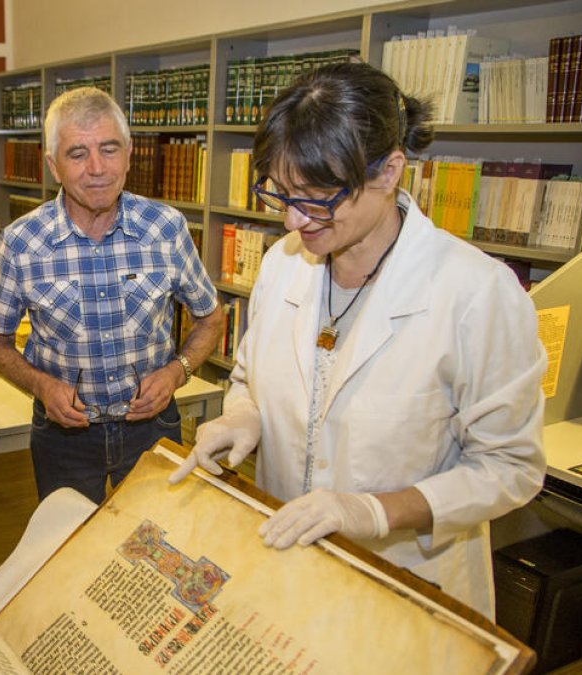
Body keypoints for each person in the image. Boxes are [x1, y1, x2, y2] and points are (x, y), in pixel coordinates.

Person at [170, 62, 546, 619]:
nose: (295, 220)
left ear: (390, 171)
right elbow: (250, 377)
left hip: (407, 584)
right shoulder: (281, 266)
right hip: (290, 565)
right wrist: (243, 418)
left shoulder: (476, 292)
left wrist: (374, 512)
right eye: (281, 193)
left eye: (319, 197)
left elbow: (510, 467)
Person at [0, 87, 222, 505]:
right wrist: (41, 386)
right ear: (53, 165)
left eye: (109, 149)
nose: (97, 168)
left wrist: (176, 372)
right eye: (77, 154)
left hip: (152, 429)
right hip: (64, 439)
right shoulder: (22, 242)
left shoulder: (166, 229)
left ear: (129, 155)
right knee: (69, 554)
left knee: (156, 547)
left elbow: (211, 317)